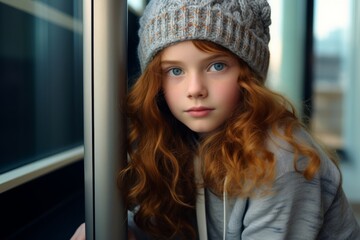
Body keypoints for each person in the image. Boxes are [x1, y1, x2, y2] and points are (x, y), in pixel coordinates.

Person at [72, 0, 360, 239]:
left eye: (216, 66)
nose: (195, 88)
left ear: (248, 76)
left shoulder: (283, 163)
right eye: (175, 71)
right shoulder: (178, 139)